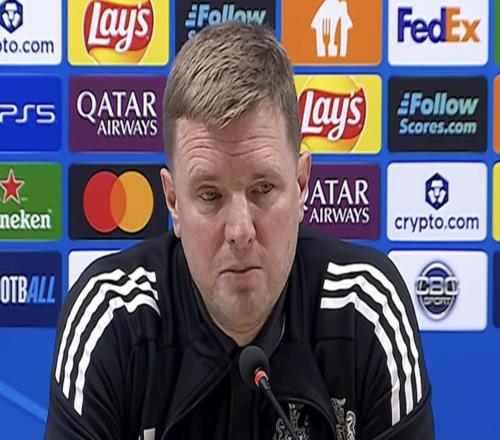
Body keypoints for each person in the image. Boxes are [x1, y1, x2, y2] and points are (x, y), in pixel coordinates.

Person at [45, 22, 434, 440]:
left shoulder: (366, 308)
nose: (240, 230)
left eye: (263, 189)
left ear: (302, 184)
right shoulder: (111, 316)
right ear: (173, 202)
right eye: (210, 195)